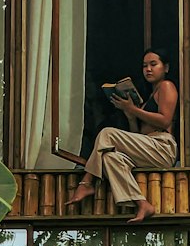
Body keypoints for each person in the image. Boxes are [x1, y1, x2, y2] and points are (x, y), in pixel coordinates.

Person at [66, 47, 178, 223]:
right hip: (149, 147)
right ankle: (142, 204)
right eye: (144, 66)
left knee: (107, 134)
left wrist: (132, 108)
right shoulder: (149, 97)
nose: (148, 69)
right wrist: (131, 116)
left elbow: (165, 120)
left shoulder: (166, 86)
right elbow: (137, 136)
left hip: (163, 147)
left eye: (153, 64)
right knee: (110, 158)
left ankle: (86, 182)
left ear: (166, 68)